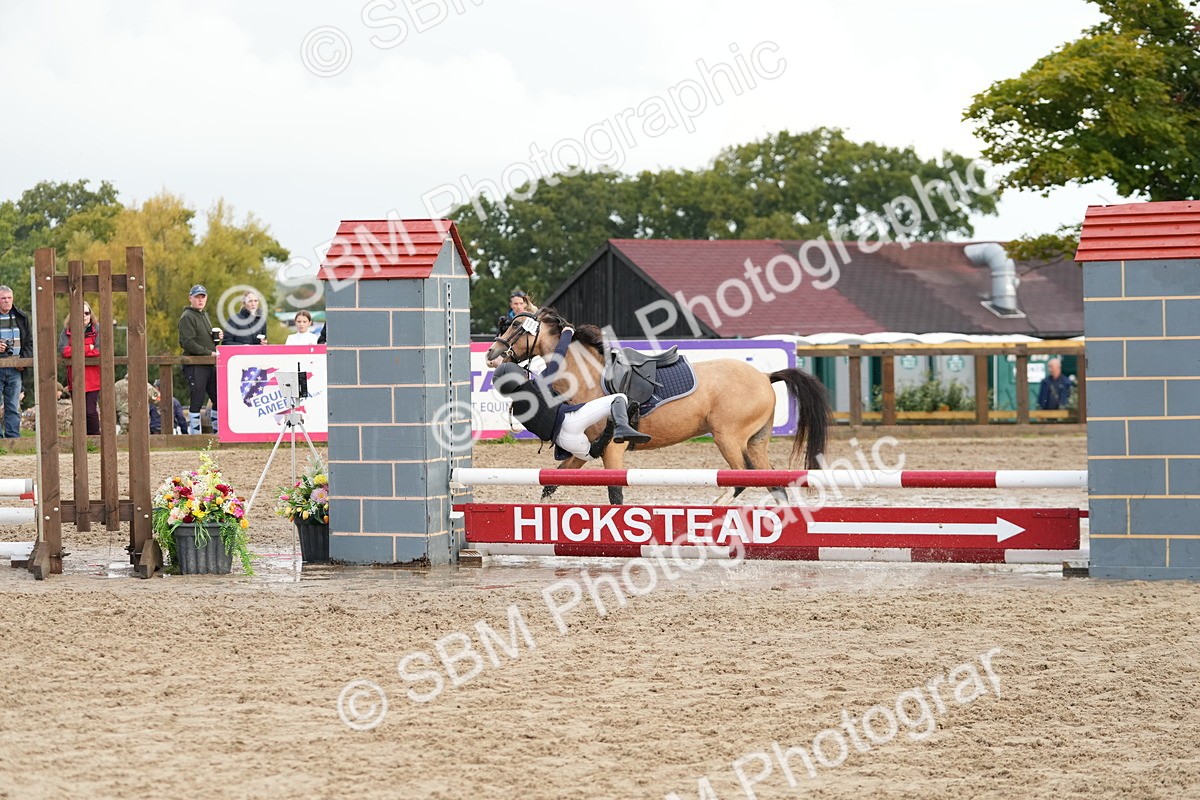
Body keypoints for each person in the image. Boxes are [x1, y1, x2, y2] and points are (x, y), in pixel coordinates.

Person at [491, 325, 649, 460]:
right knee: (619, 398)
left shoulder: (517, 411)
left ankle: (609, 430)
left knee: (591, 454)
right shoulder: (538, 385)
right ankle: (621, 427)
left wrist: (502, 363)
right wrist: (566, 334)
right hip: (572, 420)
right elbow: (557, 359)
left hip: (564, 441)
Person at [179, 284, 220, 434]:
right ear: (190, 298)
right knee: (197, 399)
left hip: (209, 364)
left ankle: (217, 433)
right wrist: (208, 353)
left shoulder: (204, 315)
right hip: (195, 364)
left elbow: (202, 339)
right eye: (197, 297)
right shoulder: (187, 317)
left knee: (218, 398)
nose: (200, 300)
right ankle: (195, 436)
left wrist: (215, 339)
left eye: (203, 297)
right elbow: (187, 342)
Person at [59, 303, 102, 435]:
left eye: (87, 313)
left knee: (90, 410)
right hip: (75, 378)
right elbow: (63, 350)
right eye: (80, 312)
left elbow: (100, 350)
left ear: (91, 314)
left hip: (93, 378)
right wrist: (87, 348)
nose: (84, 316)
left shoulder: (97, 329)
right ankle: (80, 438)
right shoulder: (67, 330)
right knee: (78, 411)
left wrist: (76, 350)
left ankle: (94, 437)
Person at [0, 285, 32, 438]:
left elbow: (30, 343)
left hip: (15, 368)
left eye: (9, 298)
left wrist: (23, 361)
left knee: (13, 405)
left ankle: (13, 440)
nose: (6, 301)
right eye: (3, 298)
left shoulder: (21, 317)